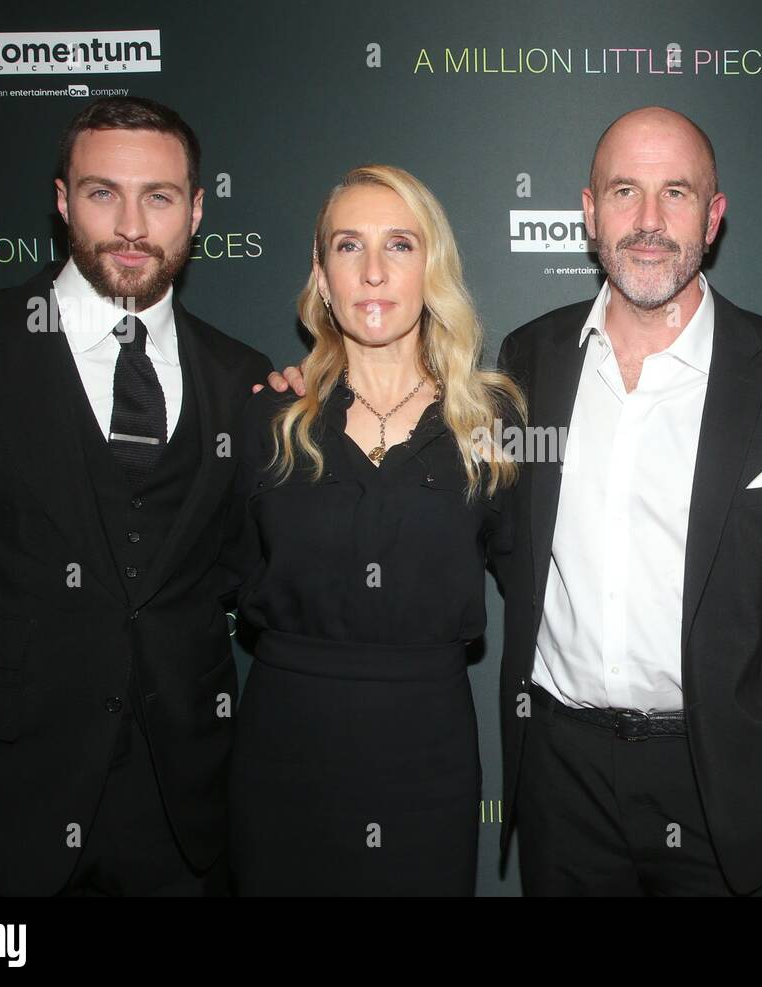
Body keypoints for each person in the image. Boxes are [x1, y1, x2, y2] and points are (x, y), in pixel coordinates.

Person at [268, 108, 762, 894]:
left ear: (713, 217)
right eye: (625, 192)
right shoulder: (530, 360)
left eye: (676, 193)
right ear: (588, 212)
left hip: (732, 781)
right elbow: (496, 538)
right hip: (564, 783)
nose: (649, 221)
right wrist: (319, 378)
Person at [0, 96, 272, 896]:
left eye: (157, 197)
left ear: (195, 211)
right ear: (61, 202)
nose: (131, 224)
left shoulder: (245, 381)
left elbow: (246, 580)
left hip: (182, 830)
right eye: (102, 193)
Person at [230, 164, 524, 895]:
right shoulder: (268, 420)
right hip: (283, 748)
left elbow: (532, 575)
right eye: (347, 246)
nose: (371, 271)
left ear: (433, 268)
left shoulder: (490, 425)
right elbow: (222, 572)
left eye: (398, 245)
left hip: (428, 751)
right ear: (322, 277)